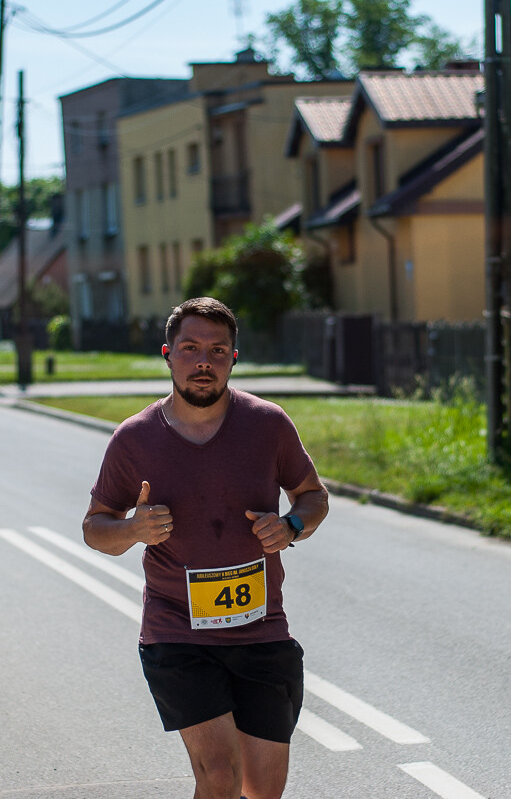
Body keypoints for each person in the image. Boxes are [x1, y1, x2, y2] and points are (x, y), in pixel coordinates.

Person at [83, 297, 329, 799]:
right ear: (168, 354)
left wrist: (293, 524)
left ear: (234, 358)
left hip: (261, 630)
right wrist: (133, 529)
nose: (204, 361)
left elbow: (313, 496)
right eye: (191, 348)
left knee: (263, 789)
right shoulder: (135, 439)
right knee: (219, 775)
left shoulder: (267, 424)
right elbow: (95, 527)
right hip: (178, 634)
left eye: (218, 350)